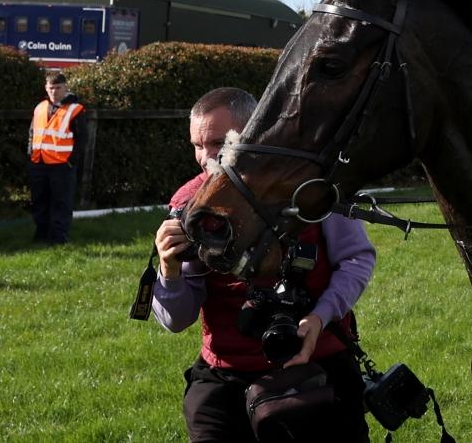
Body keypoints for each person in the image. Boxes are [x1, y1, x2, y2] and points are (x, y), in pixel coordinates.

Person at [152, 87, 376, 441]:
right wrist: (169, 270)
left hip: (319, 361)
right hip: (226, 374)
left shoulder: (312, 187)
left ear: (255, 133)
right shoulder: (189, 203)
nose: (204, 158)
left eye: (216, 143)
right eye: (197, 145)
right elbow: (176, 320)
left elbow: (356, 258)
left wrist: (320, 316)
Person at [28, 71, 88, 244]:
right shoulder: (40, 107)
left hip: (62, 166)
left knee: (61, 203)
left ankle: (59, 238)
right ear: (46, 88)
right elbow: (32, 133)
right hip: (39, 163)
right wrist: (30, 153)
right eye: (51, 88)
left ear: (65, 87)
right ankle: (41, 235)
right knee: (39, 201)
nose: (54, 91)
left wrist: (71, 161)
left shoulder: (75, 110)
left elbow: (82, 139)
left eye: (58, 88)